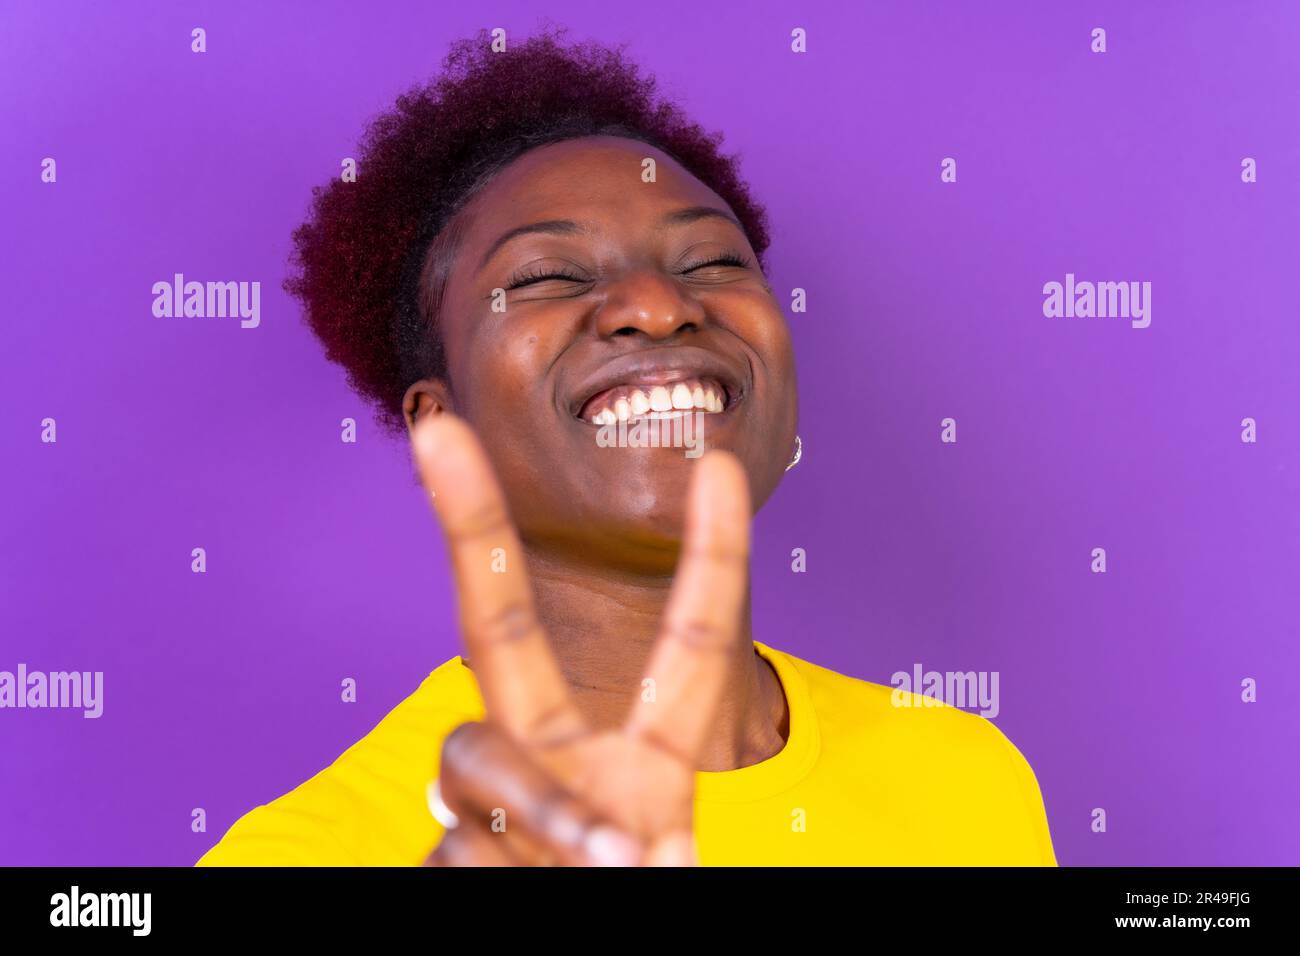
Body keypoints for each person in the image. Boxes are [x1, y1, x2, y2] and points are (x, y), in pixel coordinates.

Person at [198, 29, 1056, 867]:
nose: (655, 304)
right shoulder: (312, 851)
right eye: (546, 277)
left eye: (713, 261)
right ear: (439, 429)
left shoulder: (968, 773)